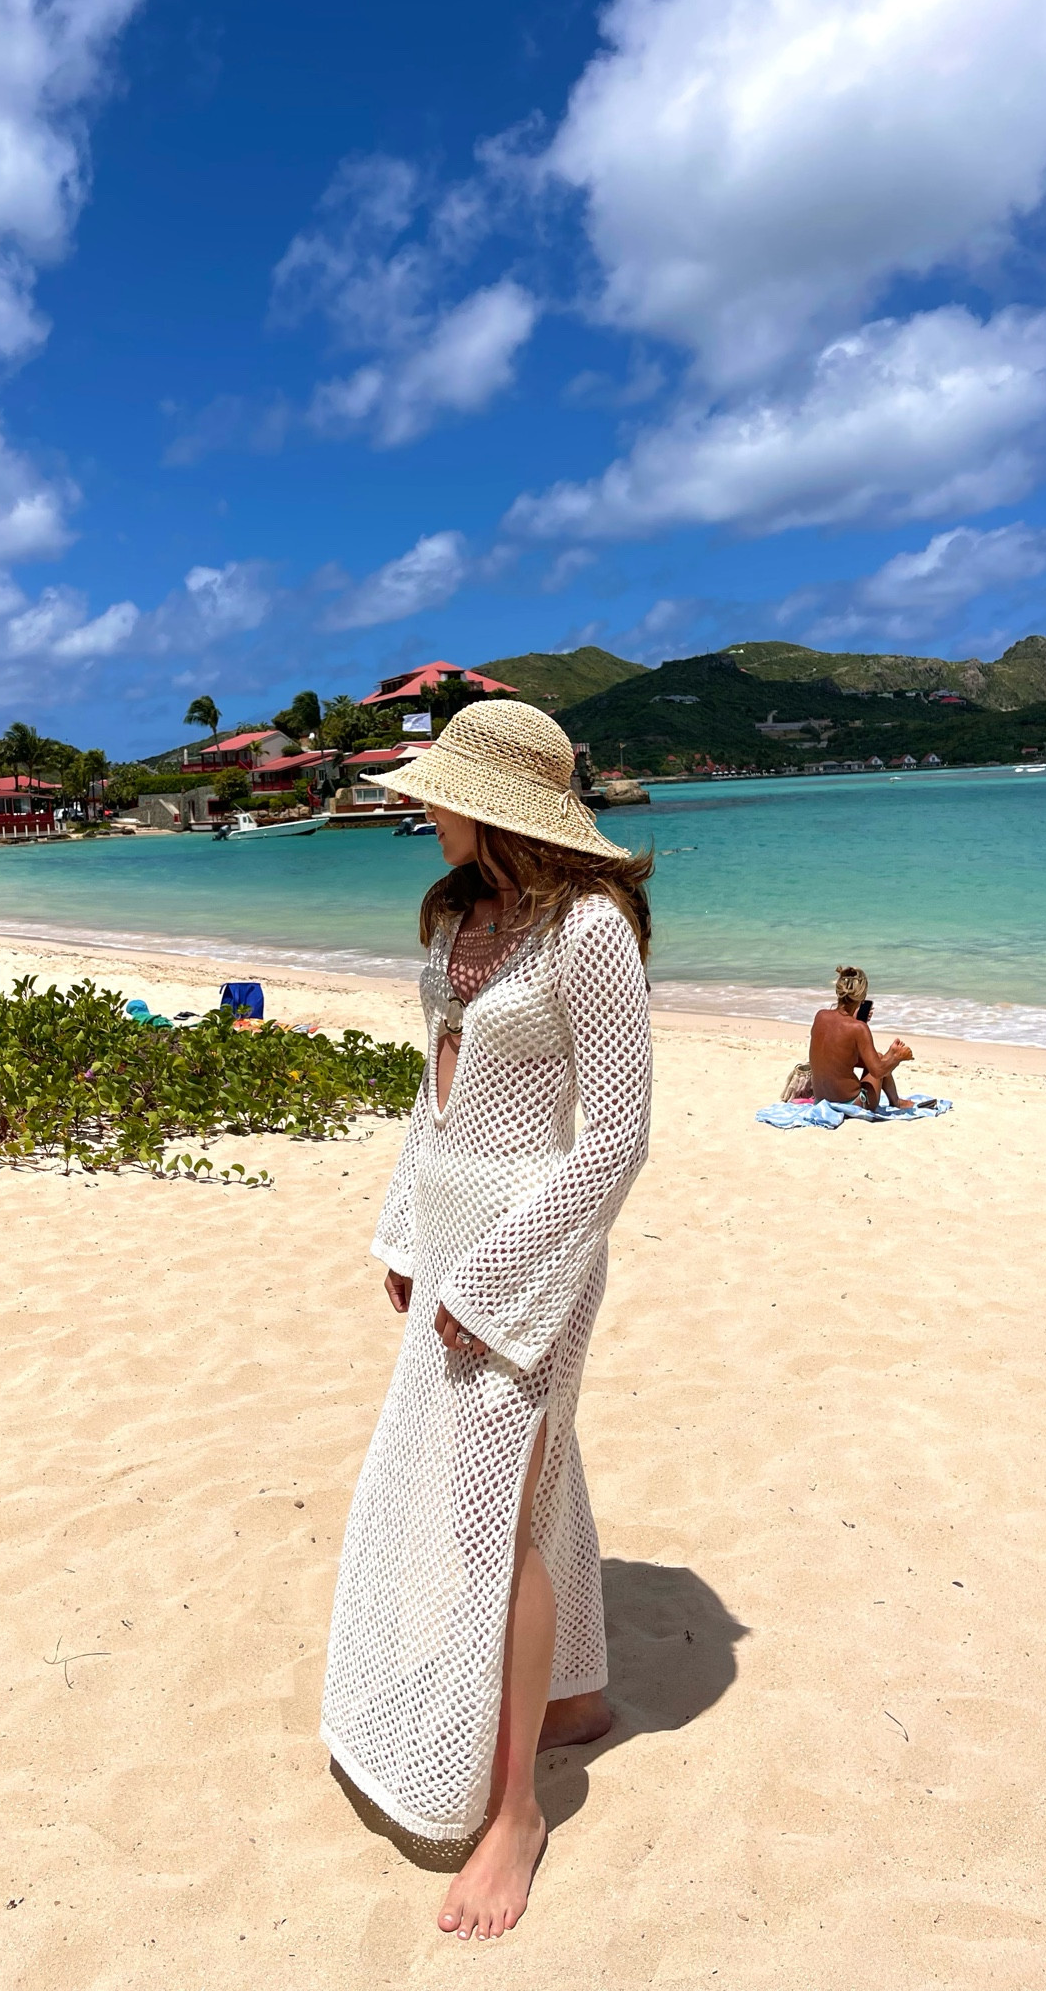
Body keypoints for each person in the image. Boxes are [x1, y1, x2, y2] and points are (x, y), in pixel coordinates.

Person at [320, 700, 653, 1943]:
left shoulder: (591, 932)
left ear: (504, 807)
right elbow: (438, 1095)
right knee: (530, 1481)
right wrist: (408, 1235)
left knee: (489, 1515)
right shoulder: (461, 914)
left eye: (439, 791)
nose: (422, 807)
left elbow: (614, 1136)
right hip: (452, 1239)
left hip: (538, 1247)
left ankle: (515, 1810)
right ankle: (573, 1696)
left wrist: (493, 1267)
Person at [808, 966, 916, 1110]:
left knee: (877, 1057)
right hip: (851, 1103)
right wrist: (897, 1057)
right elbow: (877, 1072)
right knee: (879, 1064)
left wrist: (858, 1021)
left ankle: (896, 1100)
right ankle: (896, 1102)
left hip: (821, 1099)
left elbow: (842, 1054)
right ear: (862, 996)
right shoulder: (858, 1028)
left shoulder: (820, 1016)